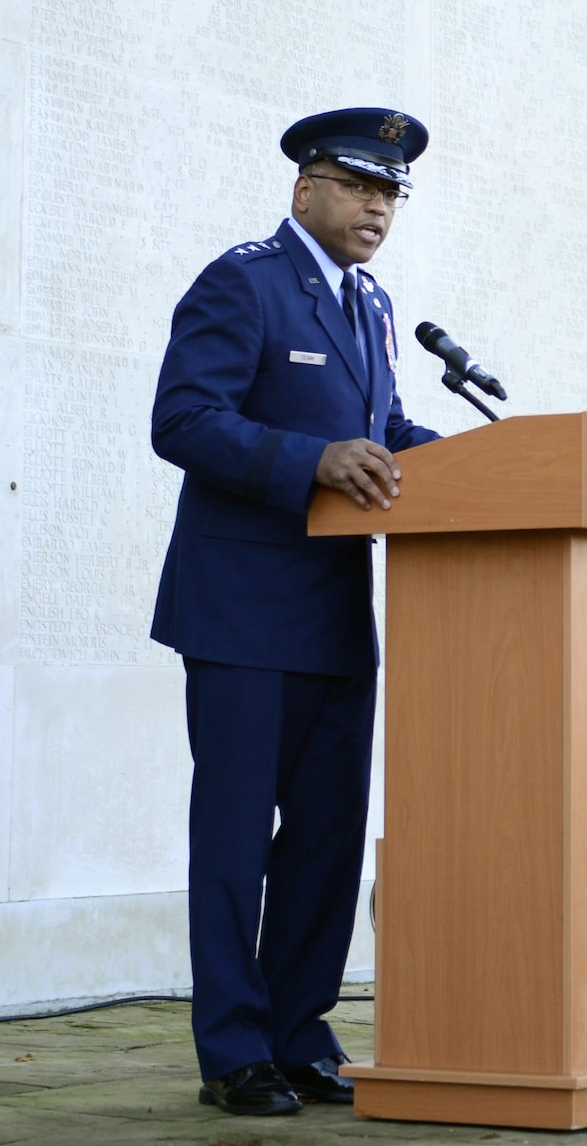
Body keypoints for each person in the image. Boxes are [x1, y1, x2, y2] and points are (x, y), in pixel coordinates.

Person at [149, 108, 441, 1116]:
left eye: (391, 192)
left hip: (332, 611)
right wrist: (307, 462)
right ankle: (234, 1050)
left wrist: (476, 464)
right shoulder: (242, 280)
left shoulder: (372, 307)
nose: (376, 205)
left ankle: (298, 1030)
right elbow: (183, 419)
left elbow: (381, 430)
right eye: (359, 184)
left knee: (325, 836)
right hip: (238, 608)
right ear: (302, 190)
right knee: (234, 841)